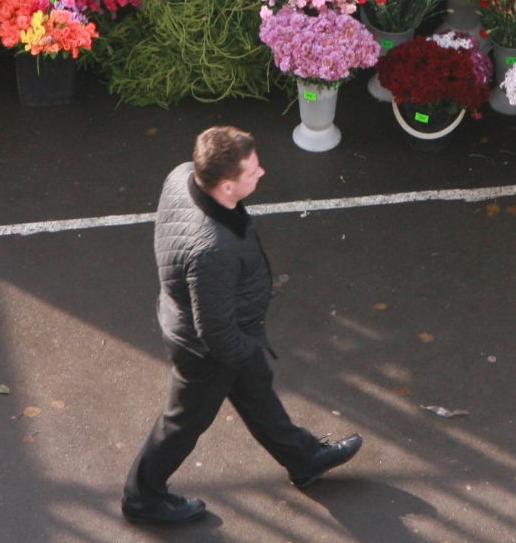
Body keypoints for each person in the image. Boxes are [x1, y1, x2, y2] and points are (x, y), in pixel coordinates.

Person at [122, 126, 362, 525]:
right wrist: (244, 352)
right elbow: (215, 331)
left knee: (256, 392)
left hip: (215, 329)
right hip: (208, 350)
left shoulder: (183, 174)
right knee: (183, 422)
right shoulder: (211, 249)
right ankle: (141, 498)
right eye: (252, 171)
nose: (262, 173)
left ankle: (303, 458)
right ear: (228, 187)